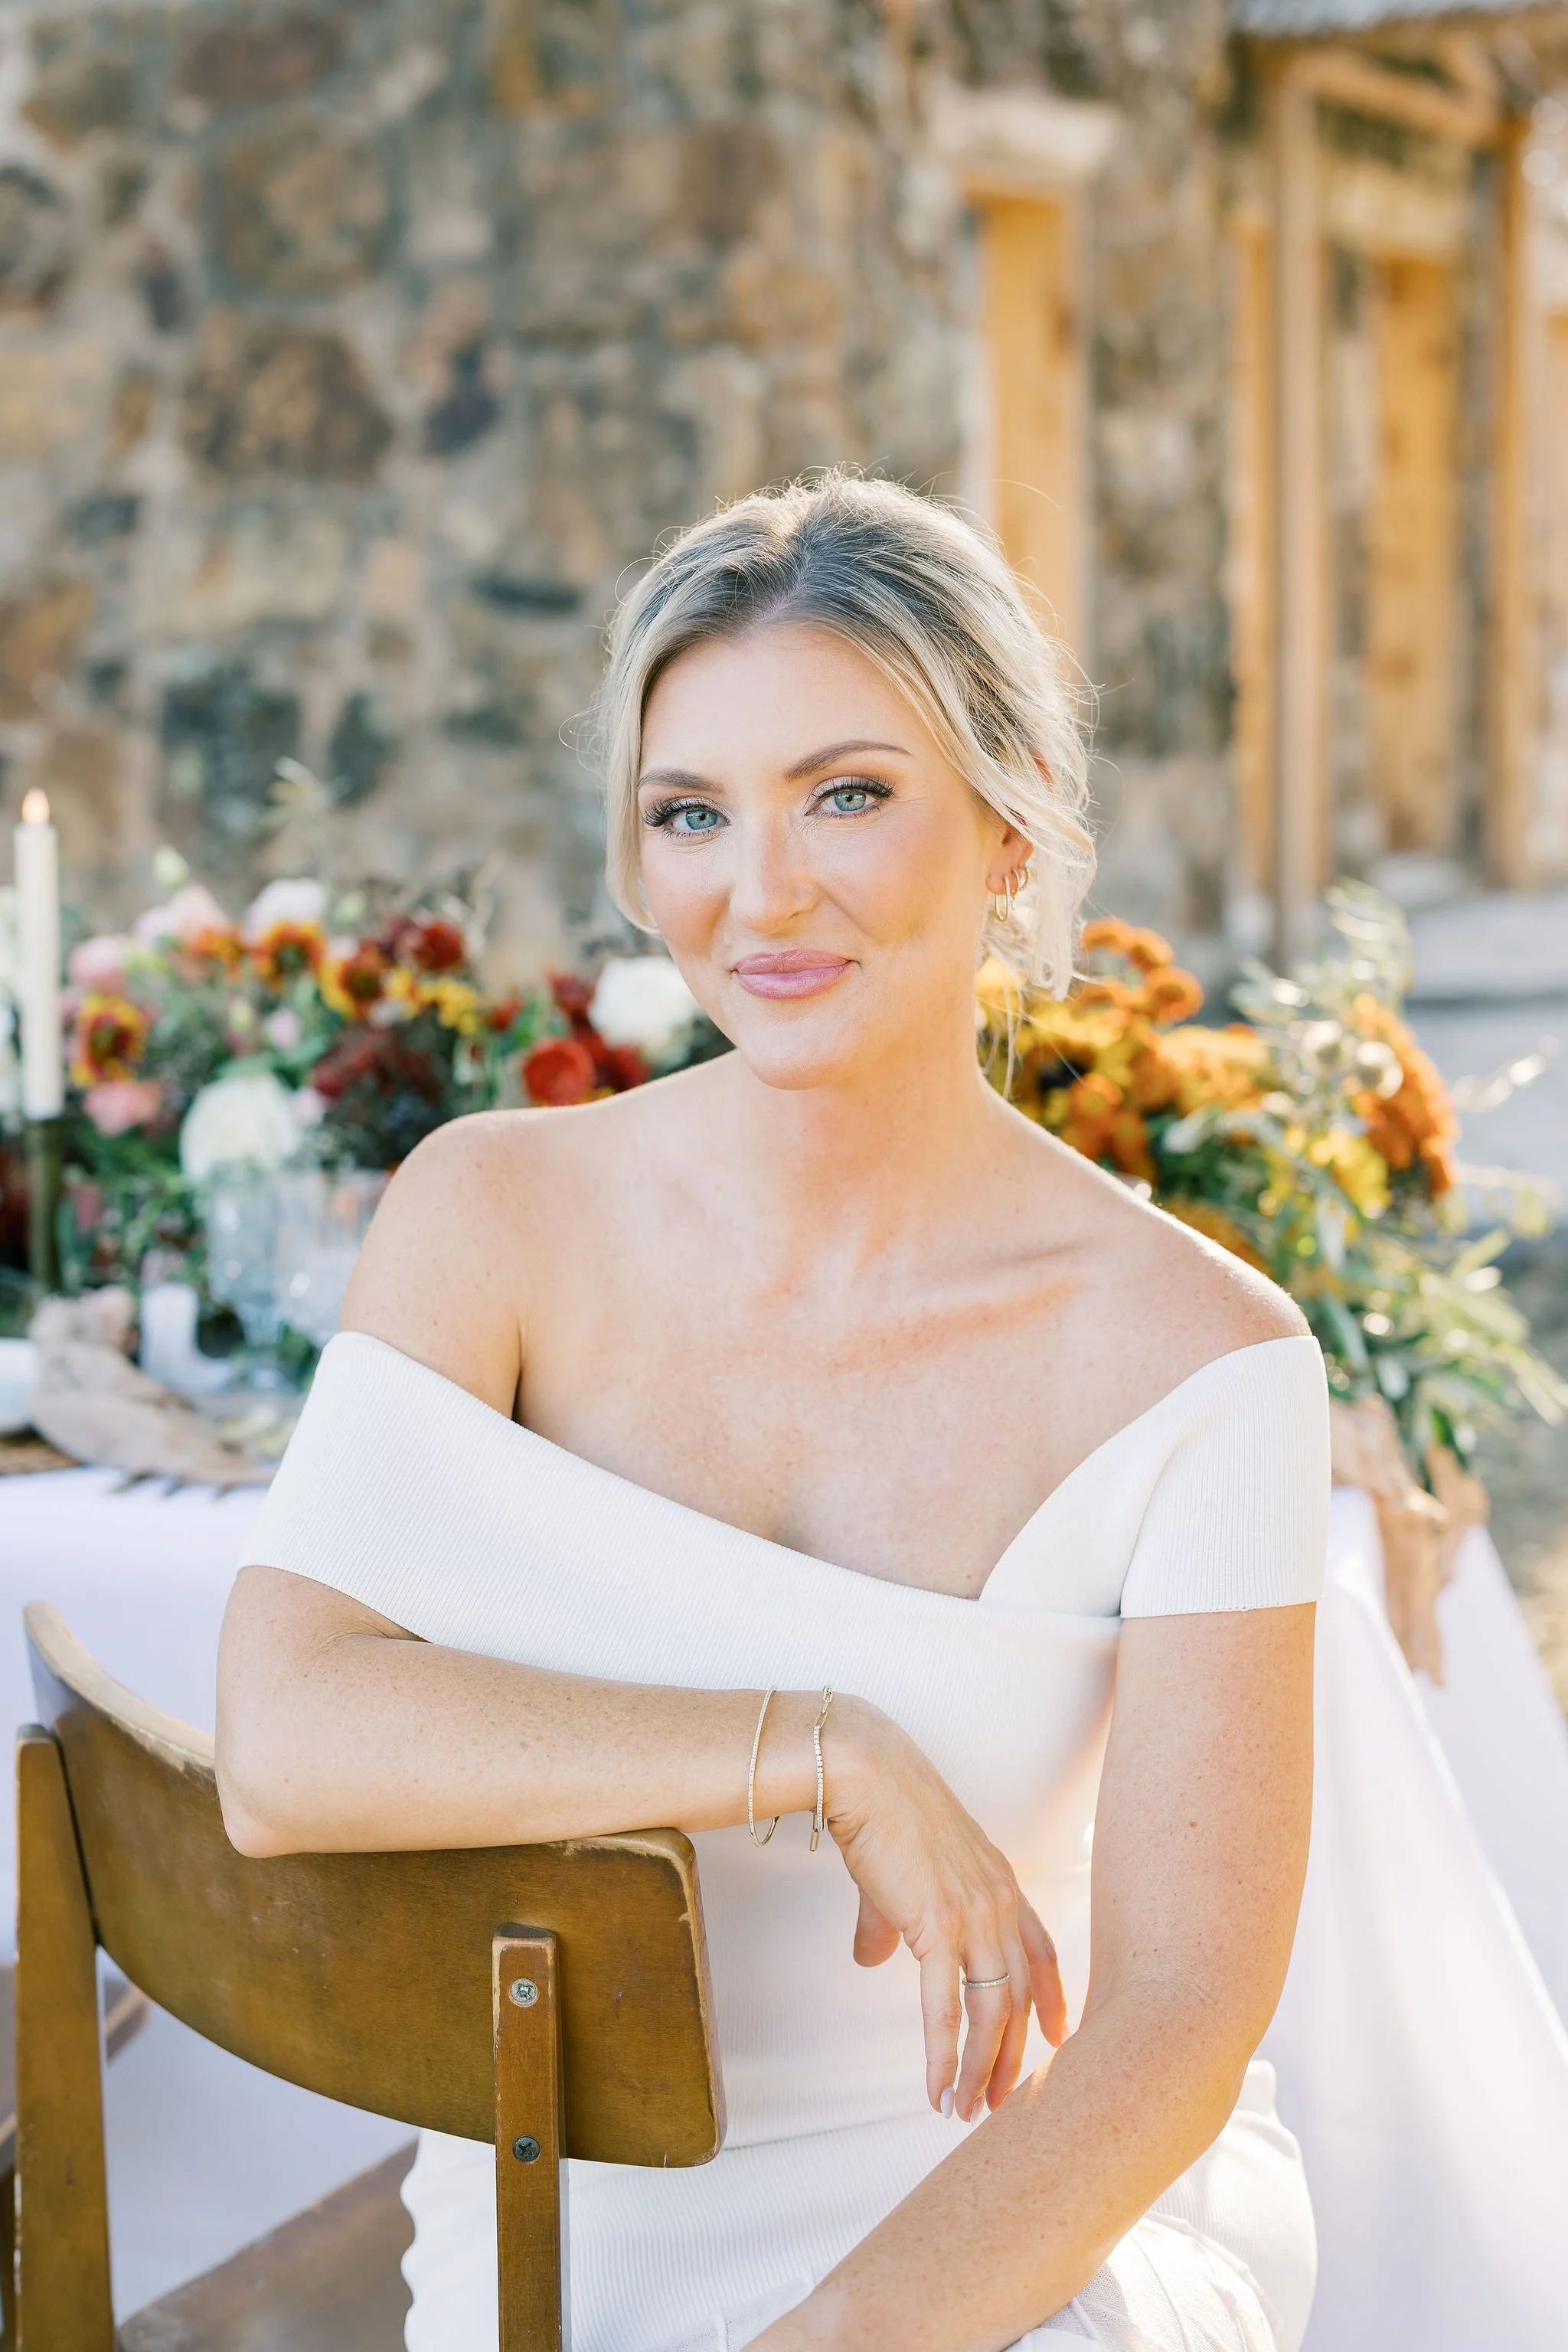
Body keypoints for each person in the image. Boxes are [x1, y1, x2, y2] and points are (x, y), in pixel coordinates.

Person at [216, 472, 1328, 2352]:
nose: (763, 892)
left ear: (1004, 828)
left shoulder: (1206, 1364)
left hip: (1002, 2254)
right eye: (690, 816)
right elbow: (281, 1742)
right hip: (543, 2263)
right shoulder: (491, 1214)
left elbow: (1179, 2017)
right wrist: (813, 1748)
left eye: (847, 794)